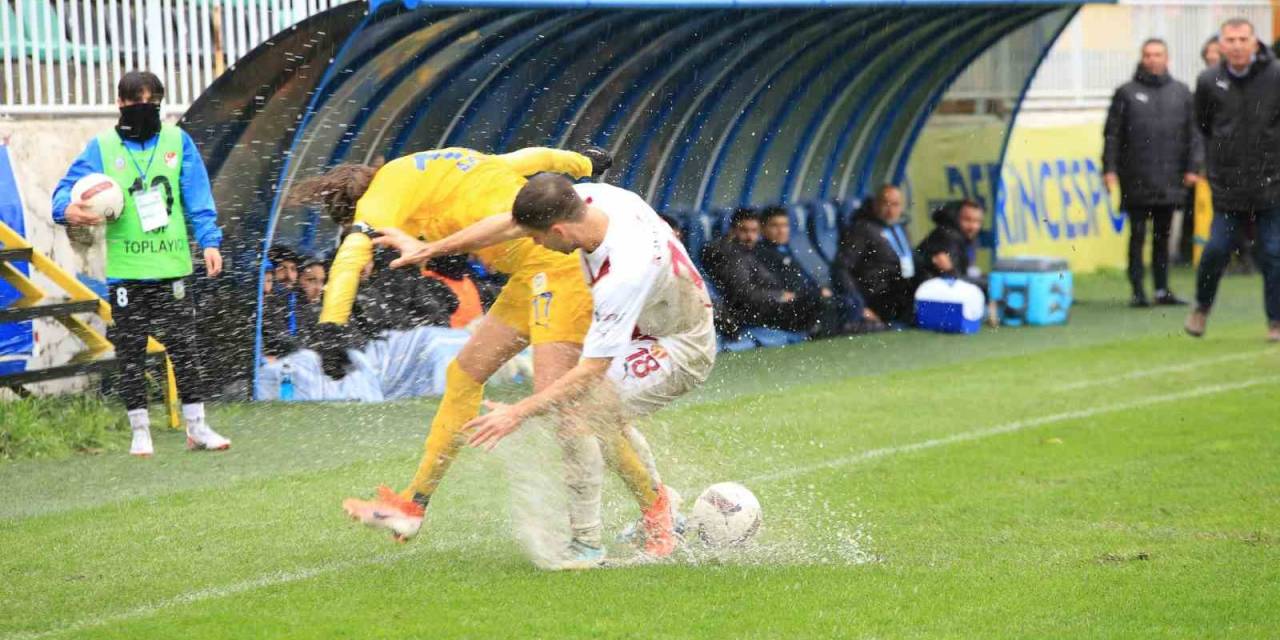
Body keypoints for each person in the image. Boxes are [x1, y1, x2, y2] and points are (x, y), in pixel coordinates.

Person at [300, 147, 667, 551]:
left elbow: (353, 251)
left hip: (556, 271)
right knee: (465, 374)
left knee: (568, 408)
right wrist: (583, 163)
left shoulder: (380, 198)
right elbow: (528, 159)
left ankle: (652, 513)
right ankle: (413, 504)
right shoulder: (437, 164)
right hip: (530, 276)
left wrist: (331, 326)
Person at [449, 174, 715, 567]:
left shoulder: (622, 273)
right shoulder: (597, 198)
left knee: (578, 415)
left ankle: (594, 542)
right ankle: (658, 511)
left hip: (681, 346)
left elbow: (591, 371)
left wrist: (516, 413)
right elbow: (509, 223)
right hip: (645, 332)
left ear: (557, 229)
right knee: (595, 416)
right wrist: (428, 250)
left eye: (538, 238)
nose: (535, 245)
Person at [51, 70, 230, 457]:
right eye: (135, 102)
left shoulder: (177, 141)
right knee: (131, 351)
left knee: (185, 347)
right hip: (126, 270)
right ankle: (140, 431)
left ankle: (197, 427)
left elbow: (197, 195)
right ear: (120, 104)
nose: (143, 109)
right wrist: (67, 209)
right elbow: (63, 191)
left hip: (173, 266)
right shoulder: (101, 147)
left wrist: (210, 241)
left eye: (151, 103)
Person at [1186, 18, 1280, 342]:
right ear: (1221, 45)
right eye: (1231, 39)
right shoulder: (1209, 81)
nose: (1237, 45)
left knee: (1273, 252)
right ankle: (1201, 307)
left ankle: (1276, 322)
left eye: (1243, 39)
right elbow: (1202, 125)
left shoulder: (1276, 75)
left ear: (1255, 43)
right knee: (1214, 250)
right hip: (1228, 187)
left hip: (1271, 184)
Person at [1103, 38, 1198, 307]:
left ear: (1167, 58)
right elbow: (1112, 134)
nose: (1152, 59)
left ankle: (1161, 289)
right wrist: (1109, 169)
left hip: (1170, 177)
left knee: (1163, 236)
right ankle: (1137, 290)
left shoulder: (1181, 92)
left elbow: (1194, 134)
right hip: (1136, 177)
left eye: (1157, 54)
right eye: (1147, 55)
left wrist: (1193, 167)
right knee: (1137, 235)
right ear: (1141, 58)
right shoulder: (1126, 93)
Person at [755, 207, 859, 336]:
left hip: (806, 296)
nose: (781, 231)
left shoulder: (786, 250)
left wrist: (818, 289)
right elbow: (786, 284)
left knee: (849, 300)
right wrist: (816, 292)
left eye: (785, 225)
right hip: (790, 303)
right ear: (763, 229)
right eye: (775, 226)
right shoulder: (762, 253)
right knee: (826, 303)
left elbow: (801, 277)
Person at [833, 185, 916, 327]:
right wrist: (858, 304)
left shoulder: (900, 228)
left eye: (895, 204)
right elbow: (840, 267)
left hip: (901, 288)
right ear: (875, 204)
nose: (891, 210)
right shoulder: (862, 229)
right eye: (886, 203)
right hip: (878, 296)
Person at [915, 200, 998, 326]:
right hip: (927, 299)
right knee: (984, 308)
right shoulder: (947, 236)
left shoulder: (966, 237)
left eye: (977, 222)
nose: (973, 226)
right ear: (956, 218)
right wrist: (985, 285)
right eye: (967, 220)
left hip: (941, 293)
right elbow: (953, 278)